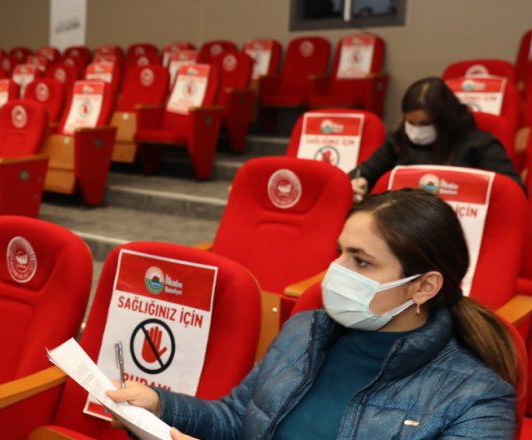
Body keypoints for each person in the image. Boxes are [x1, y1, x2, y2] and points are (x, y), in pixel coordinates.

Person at [108, 189, 518, 439]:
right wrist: (160, 407)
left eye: (361, 262)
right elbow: (237, 420)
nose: (336, 271)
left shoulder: (476, 399)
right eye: (339, 252)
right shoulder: (304, 330)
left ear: (423, 286)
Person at [350, 77, 523, 203]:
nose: (416, 130)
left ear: (445, 120)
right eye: (411, 122)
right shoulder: (399, 139)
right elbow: (366, 170)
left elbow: (515, 192)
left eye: (425, 123)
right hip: (402, 225)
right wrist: (360, 181)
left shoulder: (480, 145)